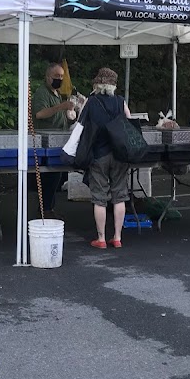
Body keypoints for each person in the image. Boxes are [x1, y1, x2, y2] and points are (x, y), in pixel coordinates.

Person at [80, 67, 132, 249]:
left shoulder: (91, 102)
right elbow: (129, 122)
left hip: (98, 155)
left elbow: (80, 124)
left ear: (97, 84)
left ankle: (101, 238)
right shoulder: (120, 101)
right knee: (119, 196)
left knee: (99, 198)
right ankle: (117, 237)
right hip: (119, 154)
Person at [32, 62, 75, 218]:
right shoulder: (42, 93)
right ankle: (45, 208)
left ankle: (48, 207)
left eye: (62, 76)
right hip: (43, 141)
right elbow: (40, 114)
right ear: (48, 77)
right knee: (49, 176)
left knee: (56, 175)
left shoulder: (57, 94)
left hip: (58, 139)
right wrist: (61, 107)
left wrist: (71, 114)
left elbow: (60, 116)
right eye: (56, 76)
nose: (60, 79)